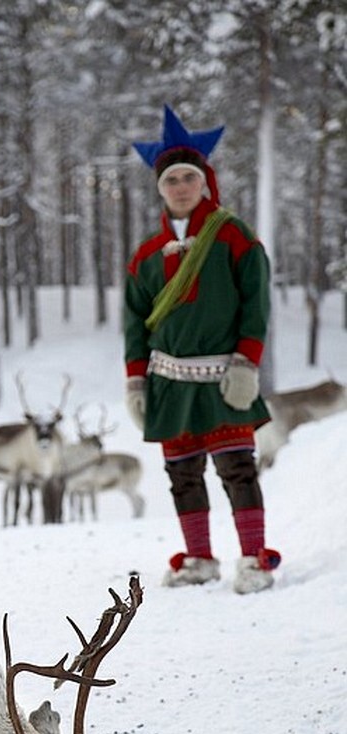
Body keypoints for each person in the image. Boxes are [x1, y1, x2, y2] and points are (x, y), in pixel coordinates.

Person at [123, 105, 281, 594]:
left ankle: (254, 559)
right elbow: (133, 320)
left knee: (237, 468)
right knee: (182, 473)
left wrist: (247, 363)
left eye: (189, 177)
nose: (181, 187)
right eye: (172, 180)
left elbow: (256, 301)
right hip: (169, 380)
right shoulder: (147, 253)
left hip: (225, 375)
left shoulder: (234, 236)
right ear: (161, 188)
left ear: (204, 181)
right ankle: (199, 559)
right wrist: (135, 379)